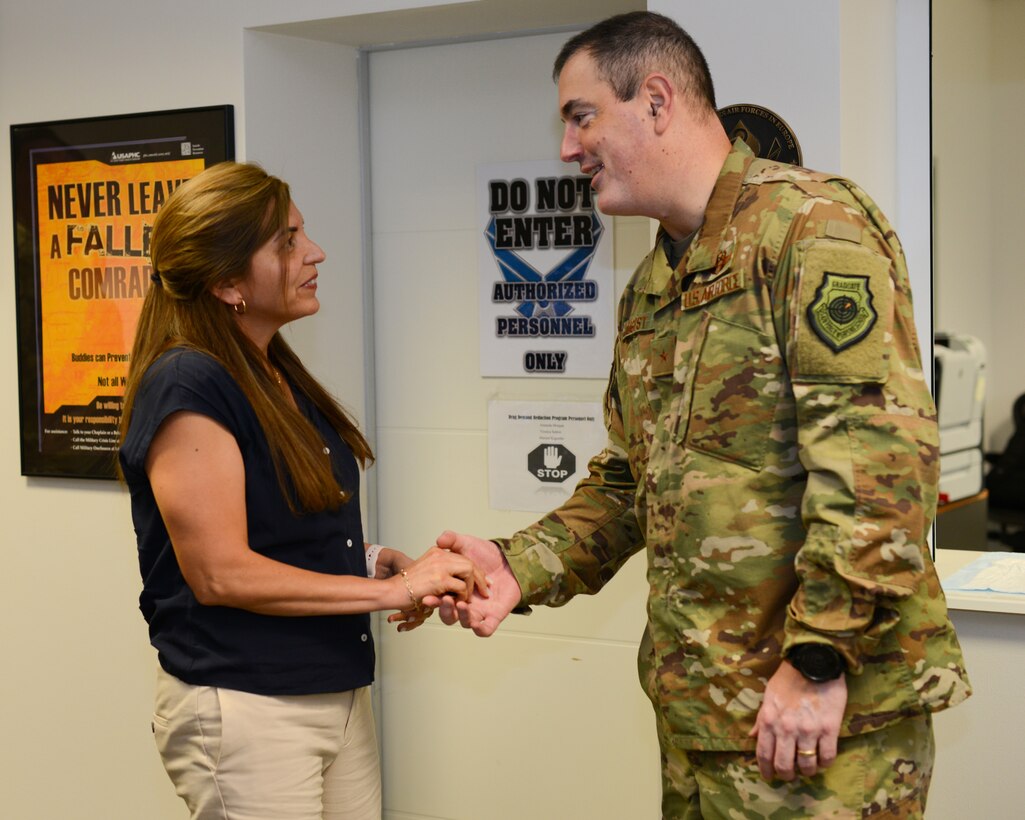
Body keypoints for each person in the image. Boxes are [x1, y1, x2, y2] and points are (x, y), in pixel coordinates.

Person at [430, 11, 971, 819]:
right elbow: (627, 482)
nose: (567, 149)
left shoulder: (808, 227)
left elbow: (878, 471)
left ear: (655, 99)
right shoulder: (654, 285)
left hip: (823, 726)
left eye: (581, 117)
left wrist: (819, 659)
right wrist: (520, 566)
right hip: (703, 721)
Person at [118, 161, 485, 820]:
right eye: (286, 240)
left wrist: (372, 560)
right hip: (248, 704)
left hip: (332, 689)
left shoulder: (268, 367)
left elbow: (276, 522)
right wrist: (390, 593)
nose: (314, 253)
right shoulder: (186, 382)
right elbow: (221, 574)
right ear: (228, 280)